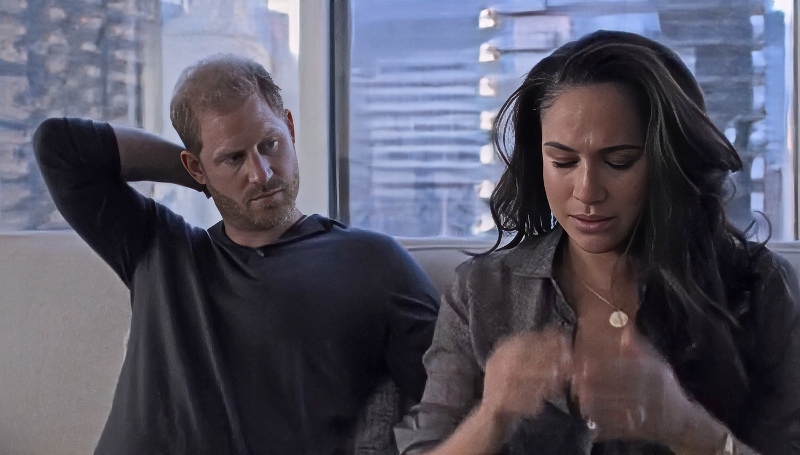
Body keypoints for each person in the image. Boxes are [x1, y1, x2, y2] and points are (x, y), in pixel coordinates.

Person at [394, 30, 800, 455]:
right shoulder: (483, 292)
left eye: (619, 162)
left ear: (669, 160)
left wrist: (687, 427)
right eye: (563, 161)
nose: (587, 191)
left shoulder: (757, 288)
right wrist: (491, 416)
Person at [33, 53, 439, 454]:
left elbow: (451, 405)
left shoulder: (371, 262)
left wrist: (220, 170)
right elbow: (60, 147)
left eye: (270, 144)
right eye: (234, 157)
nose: (261, 174)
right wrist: (206, 179)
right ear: (195, 167)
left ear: (290, 128)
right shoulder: (160, 248)